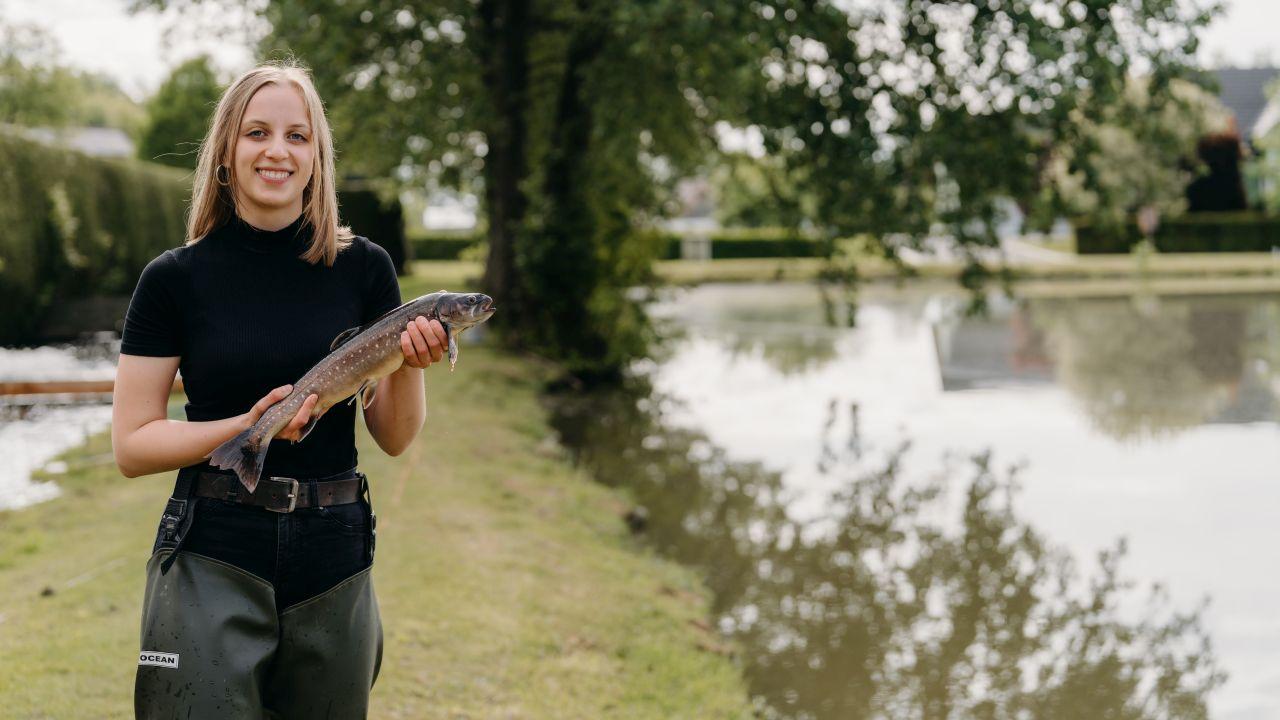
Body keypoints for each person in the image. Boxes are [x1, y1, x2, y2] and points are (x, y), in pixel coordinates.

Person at [112, 62, 446, 718]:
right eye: (258, 132)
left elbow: (397, 437)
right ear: (226, 153)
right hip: (214, 544)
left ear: (316, 156)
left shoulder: (365, 269)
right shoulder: (174, 279)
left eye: (298, 136)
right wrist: (247, 426)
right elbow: (132, 444)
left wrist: (409, 365)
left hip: (334, 550)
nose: (277, 150)